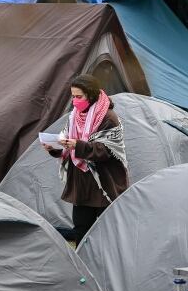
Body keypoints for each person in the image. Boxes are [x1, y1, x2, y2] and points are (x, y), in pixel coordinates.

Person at [44, 75, 129, 245]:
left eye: (78, 96)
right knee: (81, 229)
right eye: (73, 96)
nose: (74, 101)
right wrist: (55, 148)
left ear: (90, 95)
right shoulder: (74, 116)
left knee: (108, 233)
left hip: (105, 184)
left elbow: (106, 151)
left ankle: (107, 269)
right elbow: (68, 141)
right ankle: (83, 266)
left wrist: (77, 145)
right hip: (82, 184)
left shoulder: (108, 118)